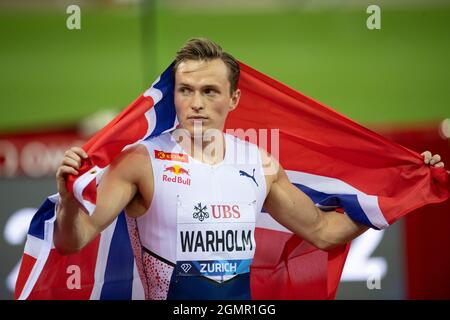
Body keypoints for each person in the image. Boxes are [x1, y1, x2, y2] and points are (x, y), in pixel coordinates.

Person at [54, 38, 445, 300]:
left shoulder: (258, 163)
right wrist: (68, 200)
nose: (196, 104)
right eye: (185, 90)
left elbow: (324, 232)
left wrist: (402, 192)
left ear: (234, 98)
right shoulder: (141, 161)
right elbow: (73, 240)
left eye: (210, 92)